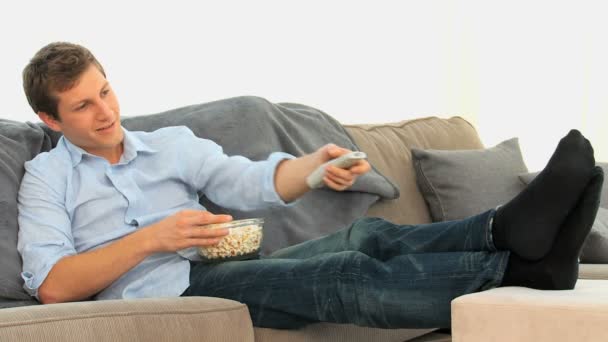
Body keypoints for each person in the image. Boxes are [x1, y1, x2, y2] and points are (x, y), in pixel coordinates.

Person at [17, 41, 603, 330]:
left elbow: (247, 180)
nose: (104, 112)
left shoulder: (167, 144)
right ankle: (517, 269)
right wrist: (153, 239)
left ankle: (507, 230)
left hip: (217, 267)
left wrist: (312, 169)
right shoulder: (48, 178)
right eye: (82, 106)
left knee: (368, 234)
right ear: (50, 120)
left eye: (106, 91)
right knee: (344, 273)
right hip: (167, 296)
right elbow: (53, 287)